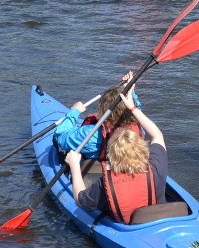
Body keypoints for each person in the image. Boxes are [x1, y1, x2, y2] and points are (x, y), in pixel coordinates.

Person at [65, 88, 167, 225]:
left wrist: (75, 166)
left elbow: (80, 199)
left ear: (111, 156)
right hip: (158, 221)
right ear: (142, 148)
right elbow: (157, 134)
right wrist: (132, 107)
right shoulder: (156, 168)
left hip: (127, 230)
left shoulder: (106, 184)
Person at [54, 72, 143, 159]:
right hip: (127, 163)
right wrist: (129, 89)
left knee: (56, 140)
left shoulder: (92, 134)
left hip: (103, 166)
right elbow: (135, 108)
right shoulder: (140, 123)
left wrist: (74, 112)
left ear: (103, 109)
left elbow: (61, 139)